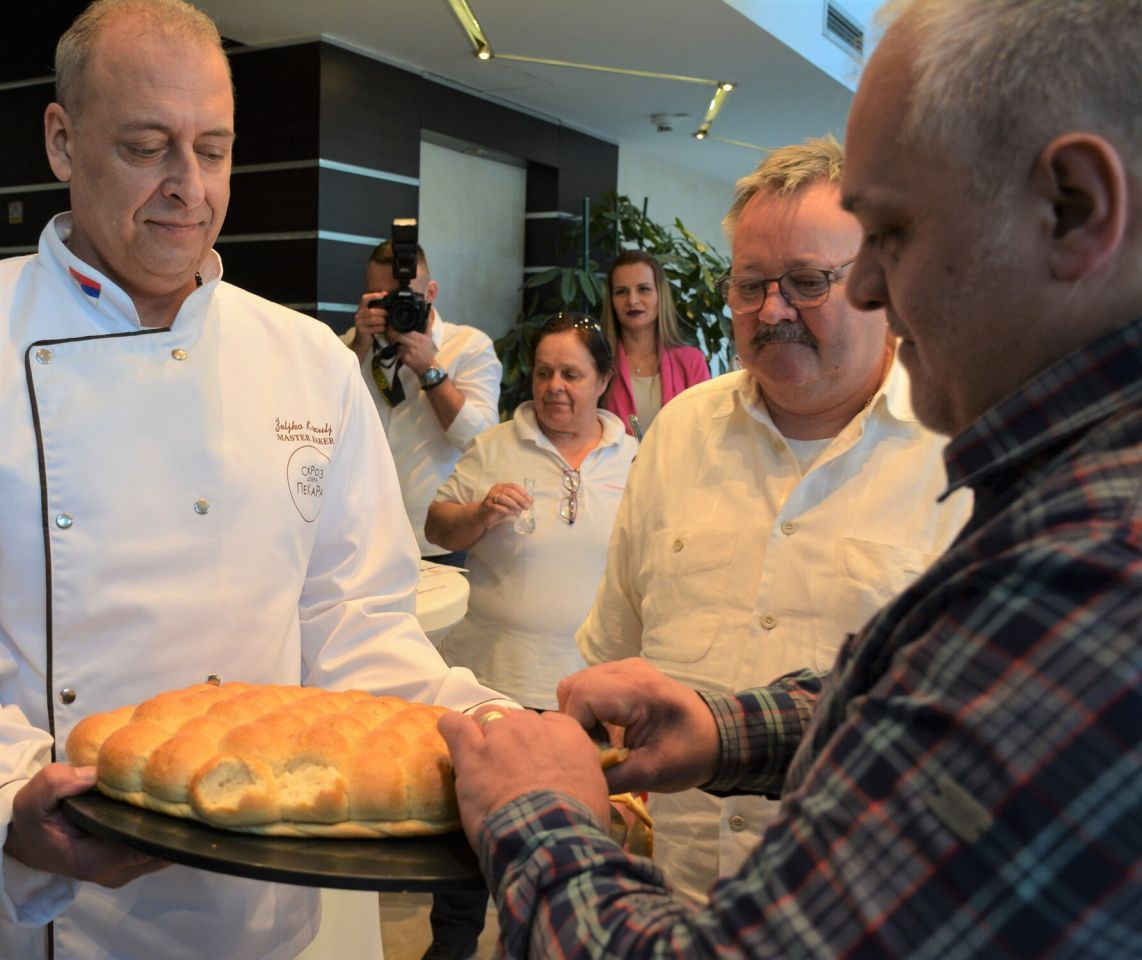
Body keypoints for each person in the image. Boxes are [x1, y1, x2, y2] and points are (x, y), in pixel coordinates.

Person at [438, 0, 1142, 955]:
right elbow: (916, 696)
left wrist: (536, 813)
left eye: (894, 232)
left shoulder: (1096, 570)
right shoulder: (1062, 500)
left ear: (1074, 208)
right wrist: (726, 730)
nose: (871, 289)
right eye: (753, 284)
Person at [0, 3, 514, 959]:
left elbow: (353, 625)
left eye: (214, 150)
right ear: (62, 142)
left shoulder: (307, 360)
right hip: (42, 907)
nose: (188, 188)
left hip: (258, 916)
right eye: (147, 147)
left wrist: (495, 728)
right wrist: (8, 807)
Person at [575, 134, 972, 905]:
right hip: (677, 902)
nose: (772, 310)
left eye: (807, 283)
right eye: (750, 285)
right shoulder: (680, 434)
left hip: (870, 915)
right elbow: (616, 656)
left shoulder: (960, 452)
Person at [427, 312, 638, 710]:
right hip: (490, 677)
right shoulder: (492, 447)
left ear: (603, 380)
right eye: (544, 373)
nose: (554, 386)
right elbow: (436, 529)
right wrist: (479, 514)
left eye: (570, 374)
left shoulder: (634, 458)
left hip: (594, 684)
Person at [342, 239, 501, 566]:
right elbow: (320, 420)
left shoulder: (469, 347)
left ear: (430, 293)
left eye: (403, 296)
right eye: (380, 298)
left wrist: (429, 369)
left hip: (436, 540)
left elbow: (481, 442)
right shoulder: (351, 347)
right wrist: (358, 346)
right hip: (361, 534)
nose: (392, 308)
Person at [600, 249, 709, 436]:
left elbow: (706, 432)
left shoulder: (692, 361)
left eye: (643, 289)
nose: (632, 300)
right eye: (621, 292)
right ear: (611, 301)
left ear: (660, 295)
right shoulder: (598, 364)